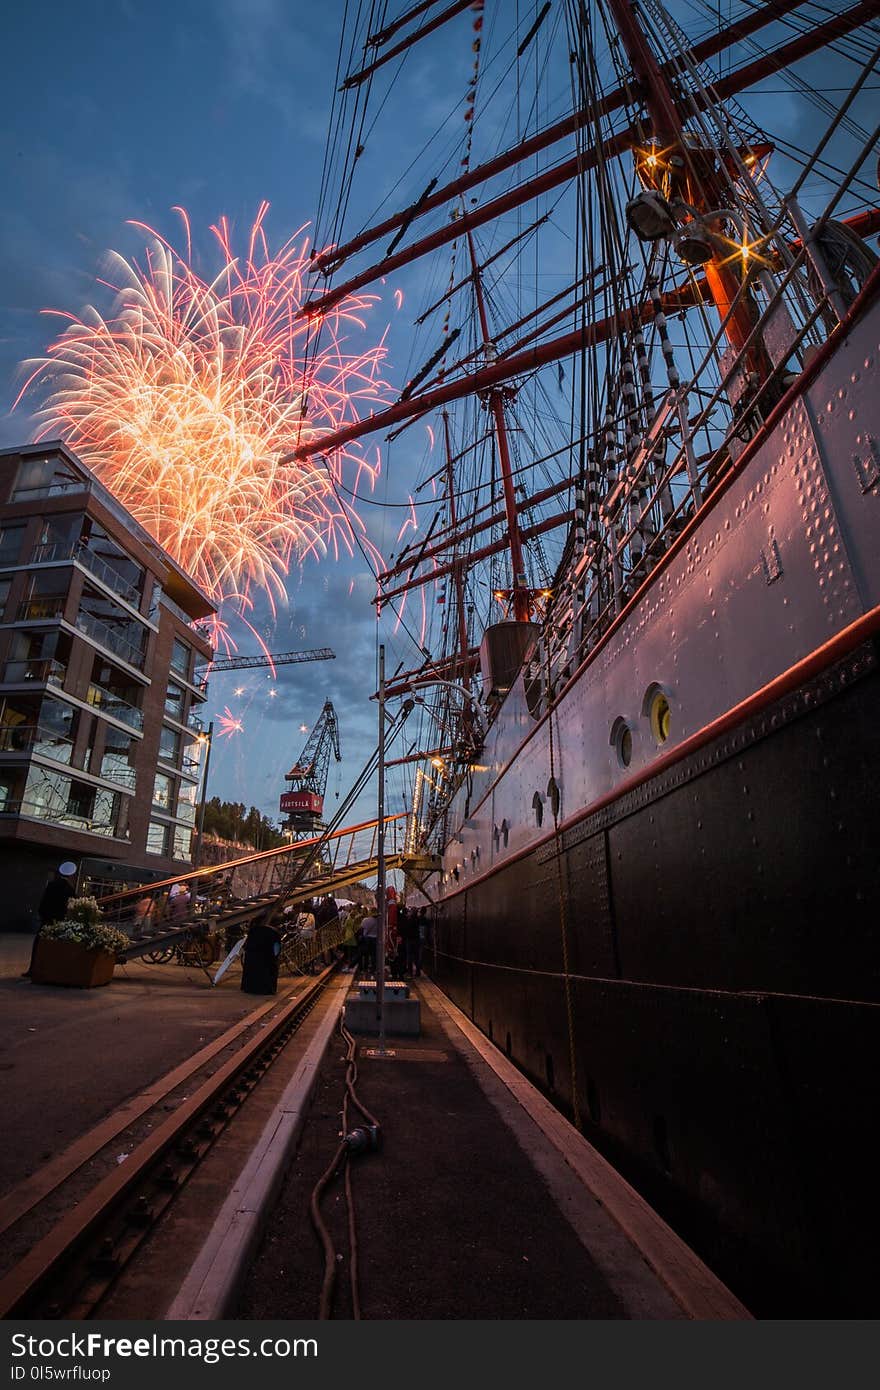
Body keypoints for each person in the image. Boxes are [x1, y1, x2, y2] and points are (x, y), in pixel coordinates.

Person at [23, 861, 77, 977]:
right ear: (71, 875)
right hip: (60, 921)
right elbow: (73, 906)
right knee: (55, 947)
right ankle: (50, 970)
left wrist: (42, 915)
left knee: (39, 945)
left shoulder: (51, 885)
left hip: (46, 919)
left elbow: (43, 903)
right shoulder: (69, 889)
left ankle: (33, 969)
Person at [240, 921, 282, 994]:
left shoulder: (253, 932)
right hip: (267, 960)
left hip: (252, 959)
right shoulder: (273, 933)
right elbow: (276, 949)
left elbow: (247, 946)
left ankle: (250, 988)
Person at [401, 905, 422, 978]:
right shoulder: (418, 920)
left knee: (409, 957)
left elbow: (406, 930)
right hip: (417, 939)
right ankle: (418, 972)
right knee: (417, 957)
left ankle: (410, 973)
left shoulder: (409, 920)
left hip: (410, 940)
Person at [358, 909, 379, 976]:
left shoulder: (365, 920)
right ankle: (373, 969)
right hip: (375, 939)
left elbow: (361, 928)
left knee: (366, 954)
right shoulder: (379, 921)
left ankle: (365, 969)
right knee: (374, 955)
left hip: (366, 939)